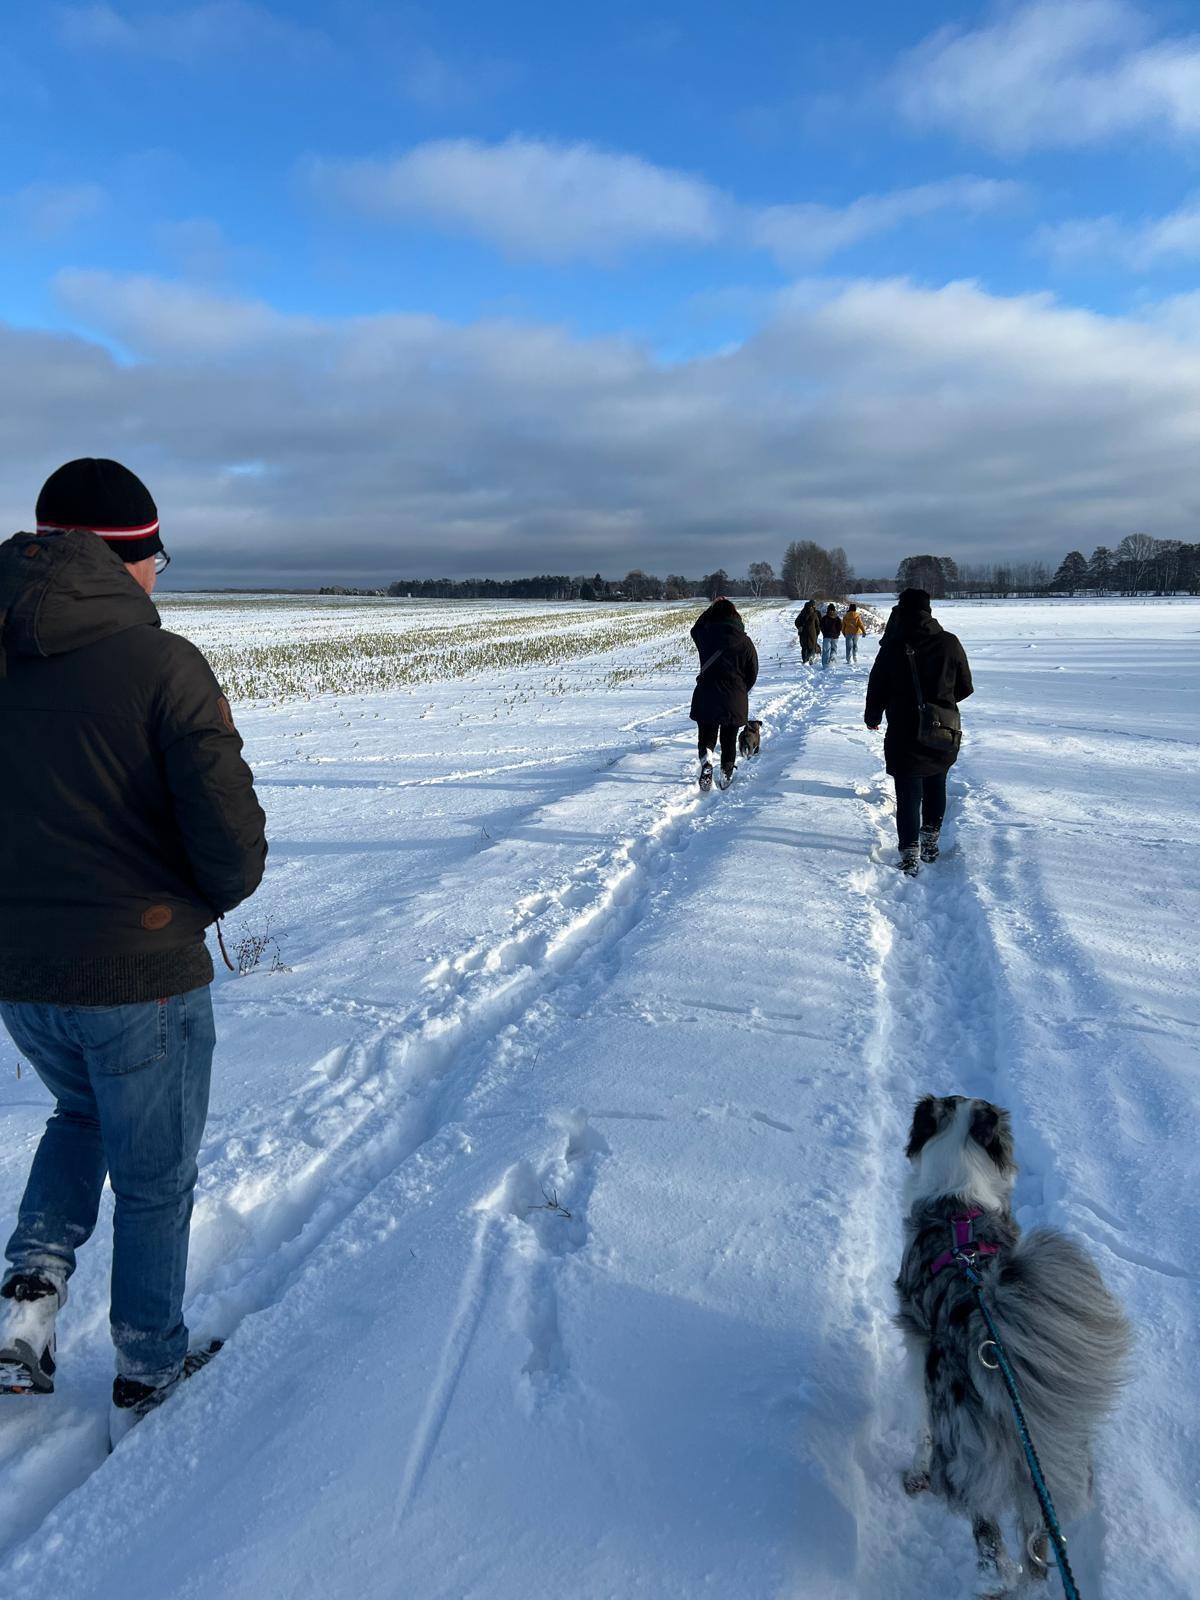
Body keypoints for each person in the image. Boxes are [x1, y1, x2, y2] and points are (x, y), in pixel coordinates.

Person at [0, 459, 267, 1443]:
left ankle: (25, 1300)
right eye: (153, 553)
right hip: (140, 973)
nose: (160, 572)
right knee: (157, 1174)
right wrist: (183, 908)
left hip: (20, 974)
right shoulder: (166, 667)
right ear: (119, 557)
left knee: (79, 1111)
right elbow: (234, 851)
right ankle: (150, 1360)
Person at [863, 587, 973, 875]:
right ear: (929, 610)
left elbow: (877, 687)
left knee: (908, 791)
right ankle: (931, 840)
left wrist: (873, 716)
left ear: (901, 611)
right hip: (943, 729)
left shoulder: (892, 647)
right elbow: (965, 686)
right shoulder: (950, 643)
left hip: (903, 729)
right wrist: (941, 705)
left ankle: (909, 850)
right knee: (937, 783)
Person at [689, 597, 758, 790]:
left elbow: (694, 629)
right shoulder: (745, 642)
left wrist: (710, 610)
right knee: (728, 738)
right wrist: (741, 690)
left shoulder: (705, 635)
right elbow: (753, 672)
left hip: (706, 694)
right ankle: (726, 774)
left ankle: (707, 761)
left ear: (713, 615)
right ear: (736, 617)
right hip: (734, 697)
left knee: (706, 735)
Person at [819, 603, 842, 668]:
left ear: (828, 610)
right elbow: (840, 627)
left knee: (826, 651)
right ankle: (832, 661)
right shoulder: (837, 618)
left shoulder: (824, 618)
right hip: (835, 637)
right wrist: (837, 633)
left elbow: (821, 626)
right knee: (834, 649)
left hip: (827, 636)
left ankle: (825, 665)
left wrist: (824, 633)